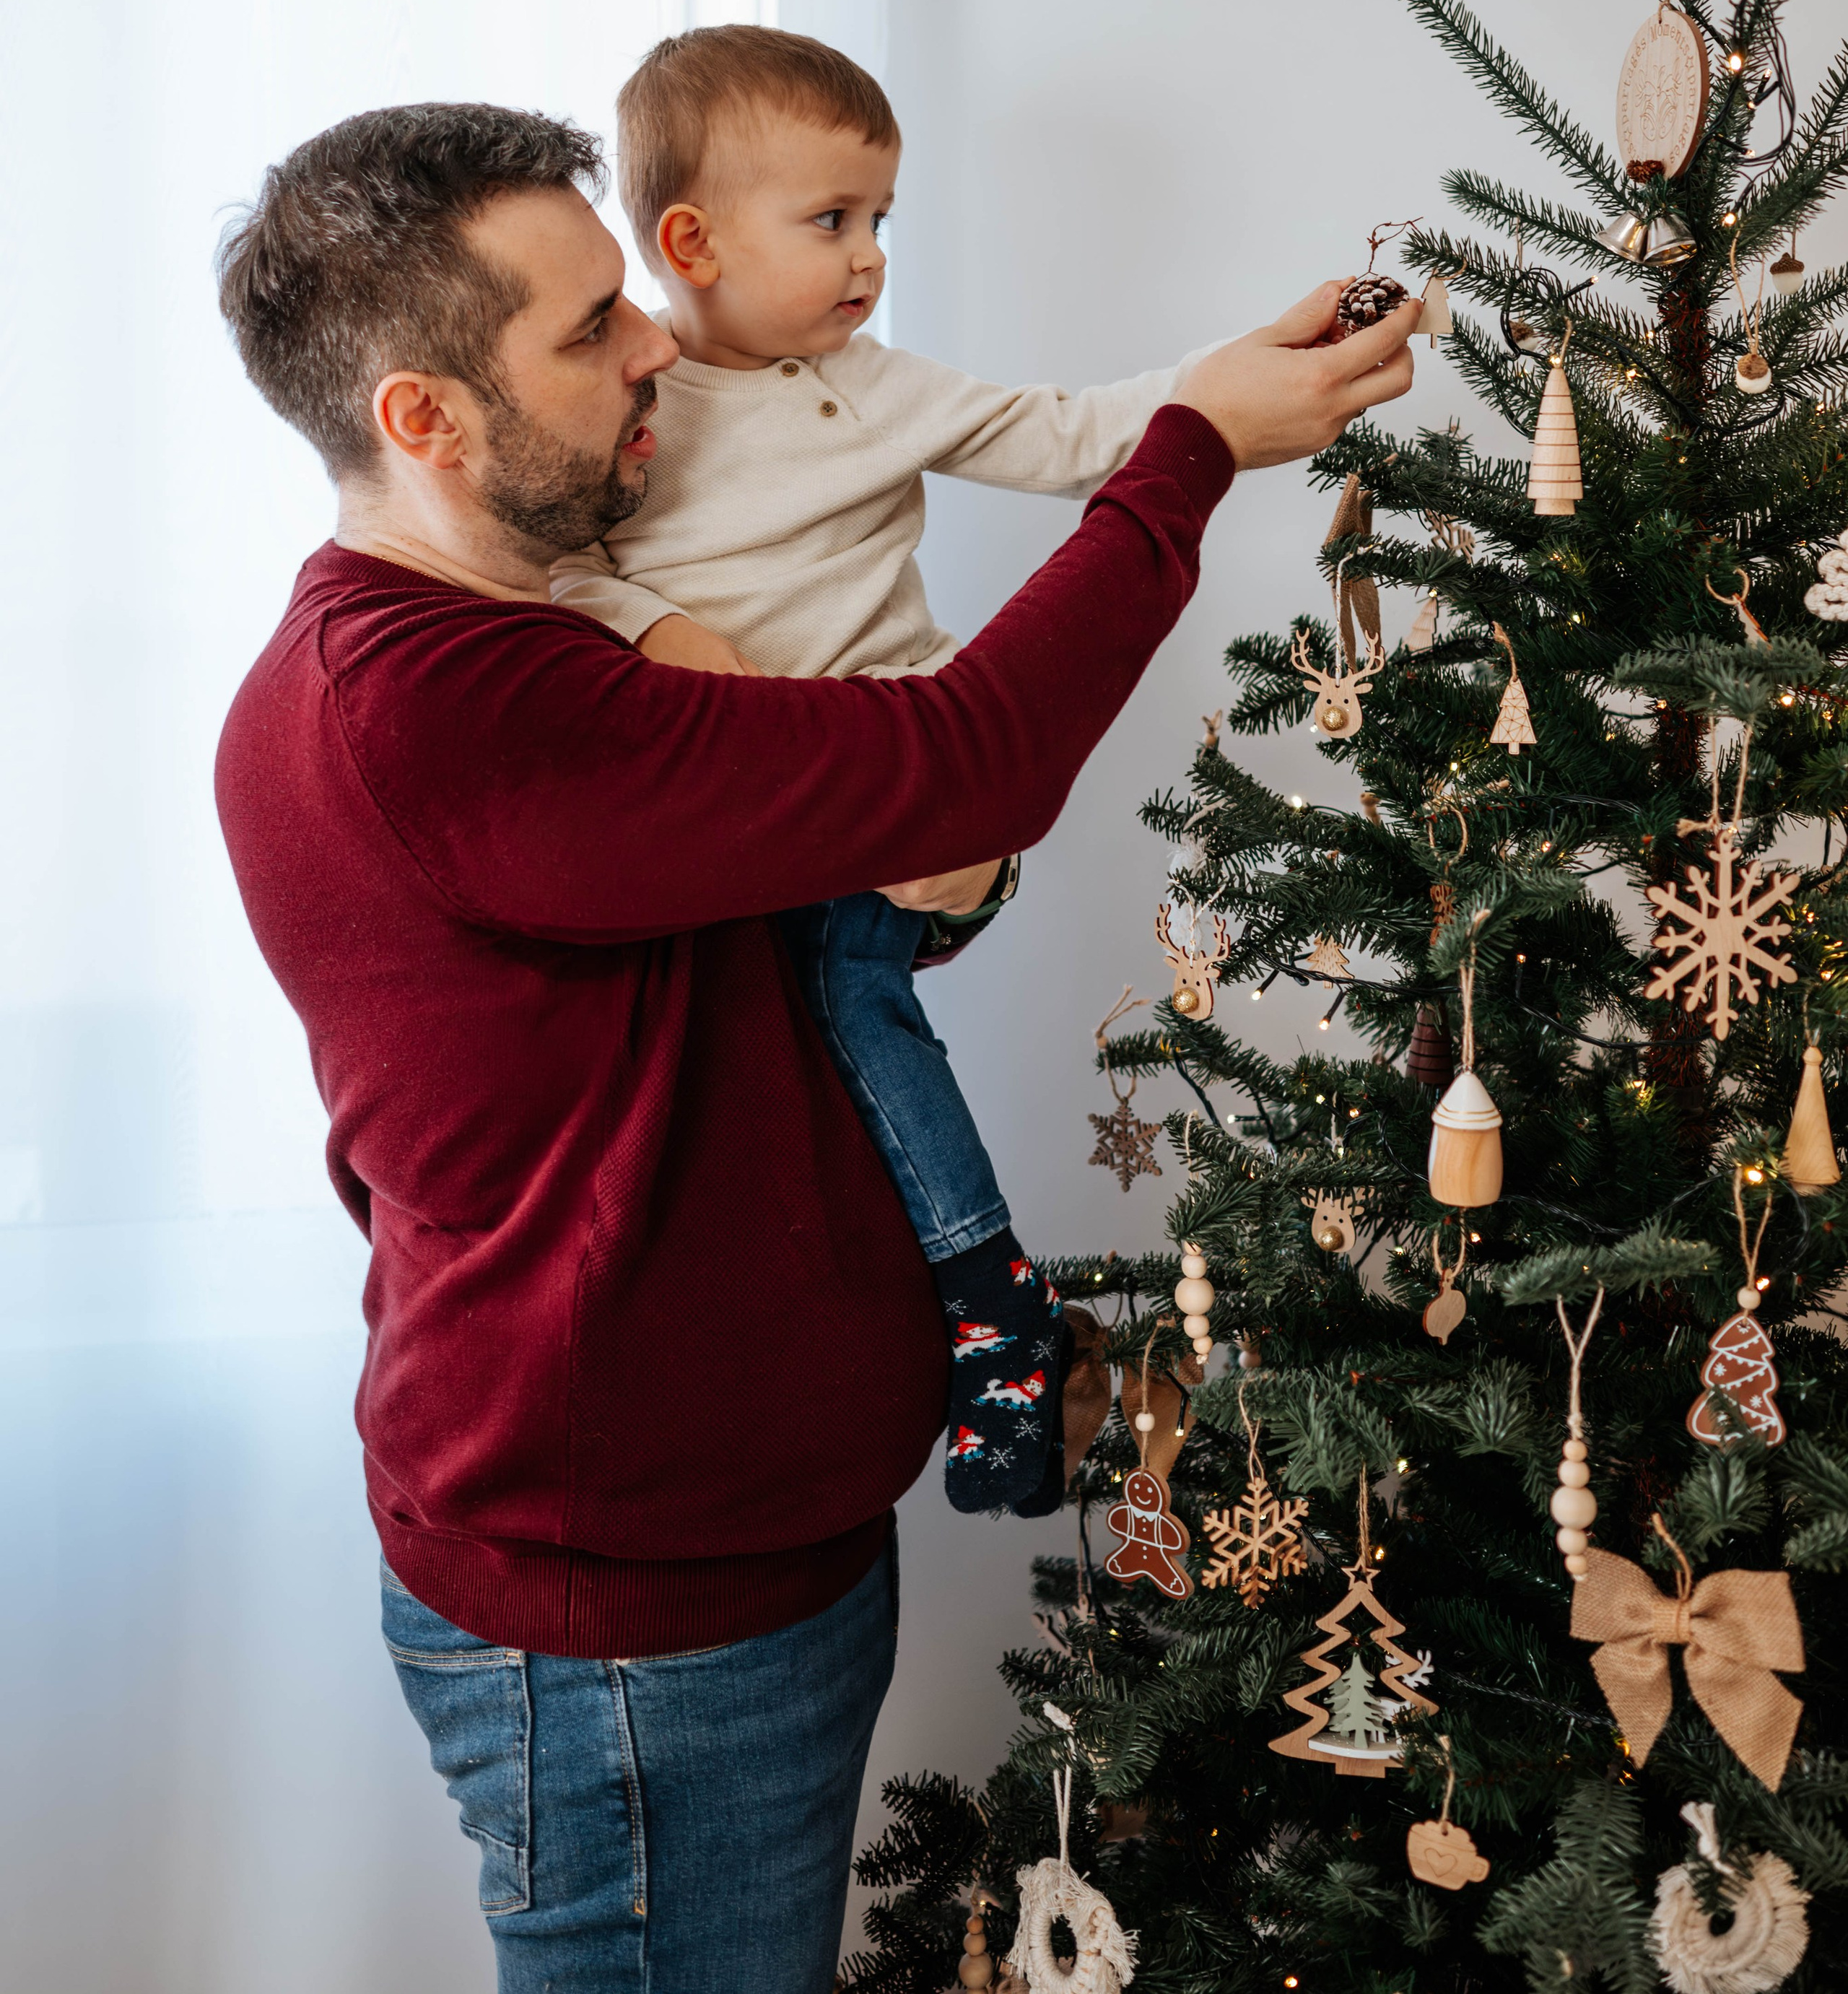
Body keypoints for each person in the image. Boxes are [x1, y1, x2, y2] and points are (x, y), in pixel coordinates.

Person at [212, 98, 1416, 1993]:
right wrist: (1190, 455)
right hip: (633, 1633)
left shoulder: (530, 655)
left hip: (708, 1577)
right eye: (590, 324)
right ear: (425, 418)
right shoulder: (456, 710)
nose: (659, 346)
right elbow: (970, 759)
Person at [552, 25, 1221, 1518]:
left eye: (880, 223)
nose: (866, 258)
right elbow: (549, 581)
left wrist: (1221, 392)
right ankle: (950, 1327)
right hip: (756, 822)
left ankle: (999, 1321)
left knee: (851, 994)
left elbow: (1068, 436)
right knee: (779, 1043)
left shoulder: (870, 384)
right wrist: (653, 616)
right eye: (831, 221)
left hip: (897, 803)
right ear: (689, 241)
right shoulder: (633, 420)